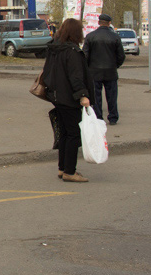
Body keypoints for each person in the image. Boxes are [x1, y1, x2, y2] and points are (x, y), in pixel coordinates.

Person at [42, 18, 93, 183]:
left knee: (64, 133)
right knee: (73, 135)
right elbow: (76, 77)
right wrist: (83, 95)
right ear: (76, 33)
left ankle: (62, 167)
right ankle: (70, 171)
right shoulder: (72, 51)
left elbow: (47, 72)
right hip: (69, 97)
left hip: (56, 96)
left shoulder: (55, 49)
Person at [82, 13, 125, 125]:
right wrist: (115, 65)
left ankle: (98, 117)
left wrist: (87, 68)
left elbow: (85, 55)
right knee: (112, 96)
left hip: (94, 71)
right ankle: (113, 117)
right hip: (111, 71)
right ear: (109, 23)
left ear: (98, 22)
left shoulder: (90, 36)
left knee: (96, 96)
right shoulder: (115, 37)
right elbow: (121, 56)